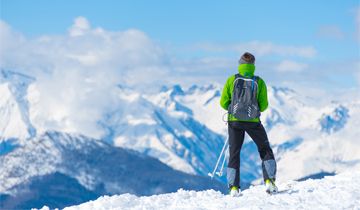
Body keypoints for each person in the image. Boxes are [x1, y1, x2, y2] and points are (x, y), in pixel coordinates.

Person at [220, 52, 278, 196]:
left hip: (234, 121)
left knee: (234, 153)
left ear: (240, 64)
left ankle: (233, 187)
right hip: (253, 122)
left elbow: (223, 102)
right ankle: (269, 181)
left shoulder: (231, 80)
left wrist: (233, 109)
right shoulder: (259, 82)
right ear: (253, 65)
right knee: (264, 149)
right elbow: (264, 106)